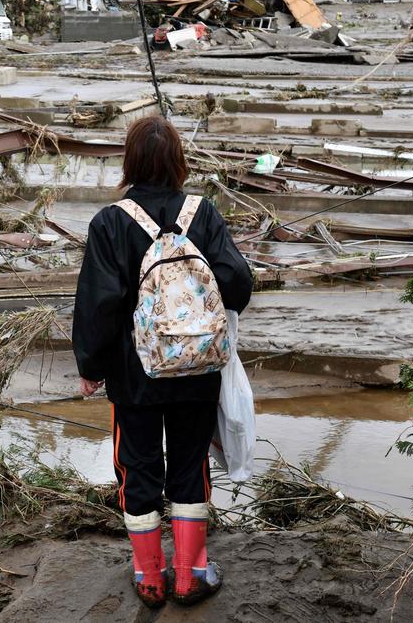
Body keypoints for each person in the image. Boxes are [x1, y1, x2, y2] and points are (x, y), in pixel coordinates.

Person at [72, 115, 252, 608]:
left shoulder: (110, 223)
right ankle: (191, 572)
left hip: (136, 378)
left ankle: (149, 576)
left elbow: (98, 304)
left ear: (130, 162)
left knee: (137, 467)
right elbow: (238, 283)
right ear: (178, 161)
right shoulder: (204, 213)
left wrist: (91, 366)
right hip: (199, 370)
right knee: (191, 465)